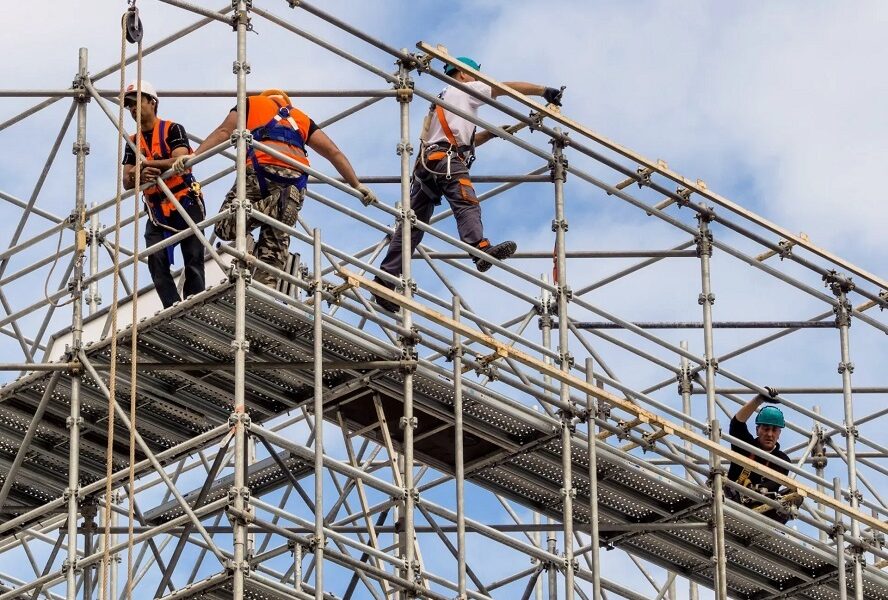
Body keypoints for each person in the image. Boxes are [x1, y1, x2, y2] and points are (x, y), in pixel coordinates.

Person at [372, 56, 564, 312]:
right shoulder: (466, 88)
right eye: (473, 75)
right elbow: (502, 88)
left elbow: (459, 139)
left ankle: (385, 280)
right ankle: (479, 248)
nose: (477, 80)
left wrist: (490, 133)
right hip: (447, 161)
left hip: (427, 165)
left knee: (411, 227)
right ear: (462, 73)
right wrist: (543, 91)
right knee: (466, 202)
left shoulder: (443, 98)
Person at [178, 89, 376, 288]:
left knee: (224, 226)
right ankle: (266, 286)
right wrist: (356, 185)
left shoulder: (251, 103)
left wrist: (194, 157)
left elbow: (224, 132)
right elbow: (333, 152)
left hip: (260, 170)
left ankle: (279, 203)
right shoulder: (302, 118)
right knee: (275, 239)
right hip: (296, 181)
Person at [122, 80, 206, 309]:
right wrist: (140, 174)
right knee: (156, 261)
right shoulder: (132, 142)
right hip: (157, 209)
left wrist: (150, 164)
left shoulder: (172, 129)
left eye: (136, 102)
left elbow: (182, 161)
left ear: (152, 102)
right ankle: (172, 306)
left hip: (184, 201)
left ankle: (195, 305)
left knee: (193, 258)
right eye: (128, 106)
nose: (132, 109)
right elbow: (126, 181)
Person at [726, 387, 801, 523]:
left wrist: (759, 491)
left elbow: (772, 485)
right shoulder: (745, 446)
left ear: (779, 433)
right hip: (733, 502)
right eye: (766, 429)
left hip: (762, 511)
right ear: (757, 429)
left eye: (774, 430)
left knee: (794, 495)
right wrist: (758, 399)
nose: (769, 434)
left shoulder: (782, 460)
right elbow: (737, 424)